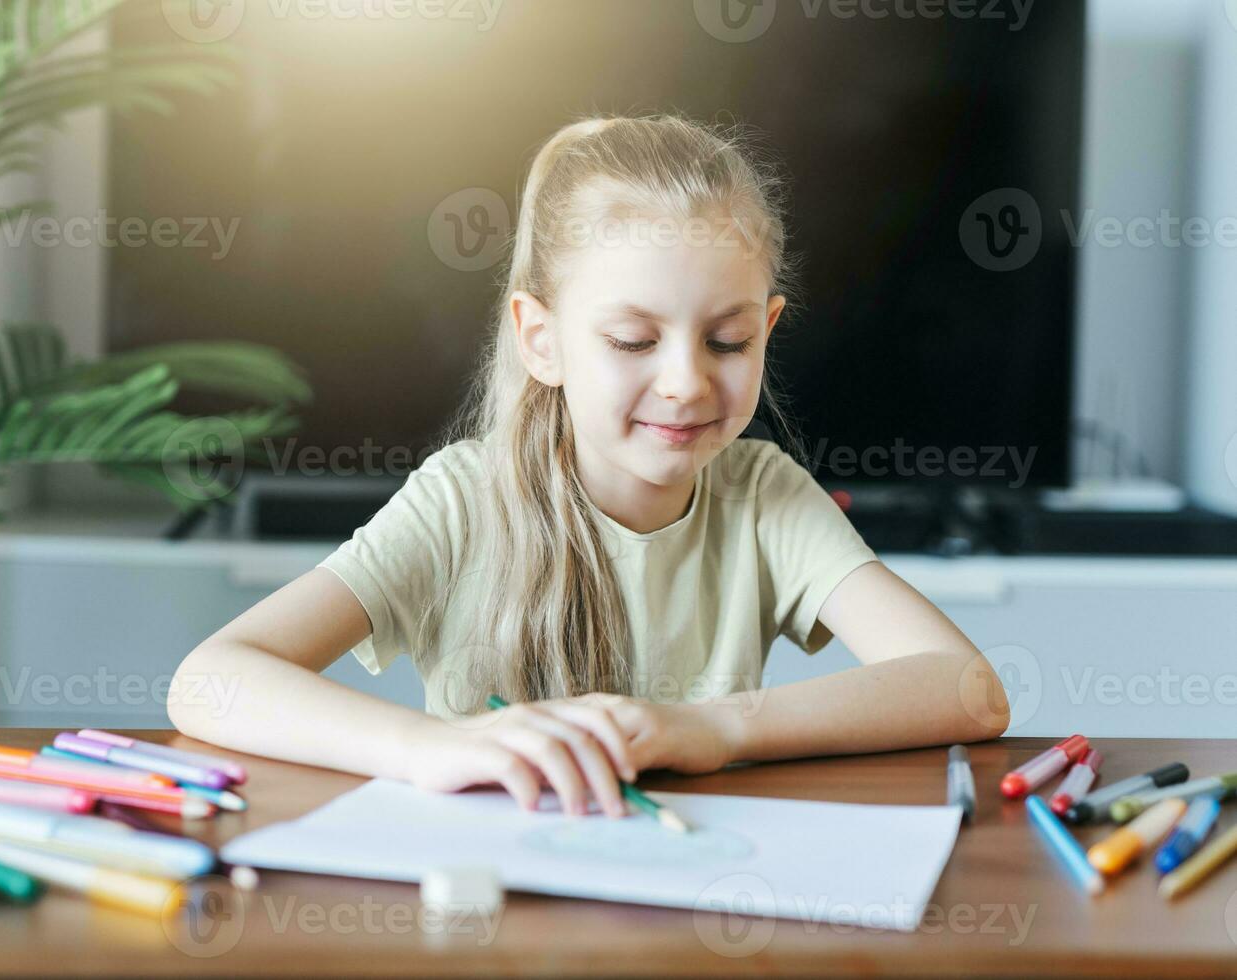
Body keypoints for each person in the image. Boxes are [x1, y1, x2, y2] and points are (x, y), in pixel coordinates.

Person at [169, 113, 1010, 821]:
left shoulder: (764, 498)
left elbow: (969, 690)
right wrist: (432, 748)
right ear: (543, 339)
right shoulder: (462, 501)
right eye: (633, 341)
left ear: (769, 327)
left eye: (729, 341)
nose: (685, 382)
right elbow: (209, 682)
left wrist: (713, 729)